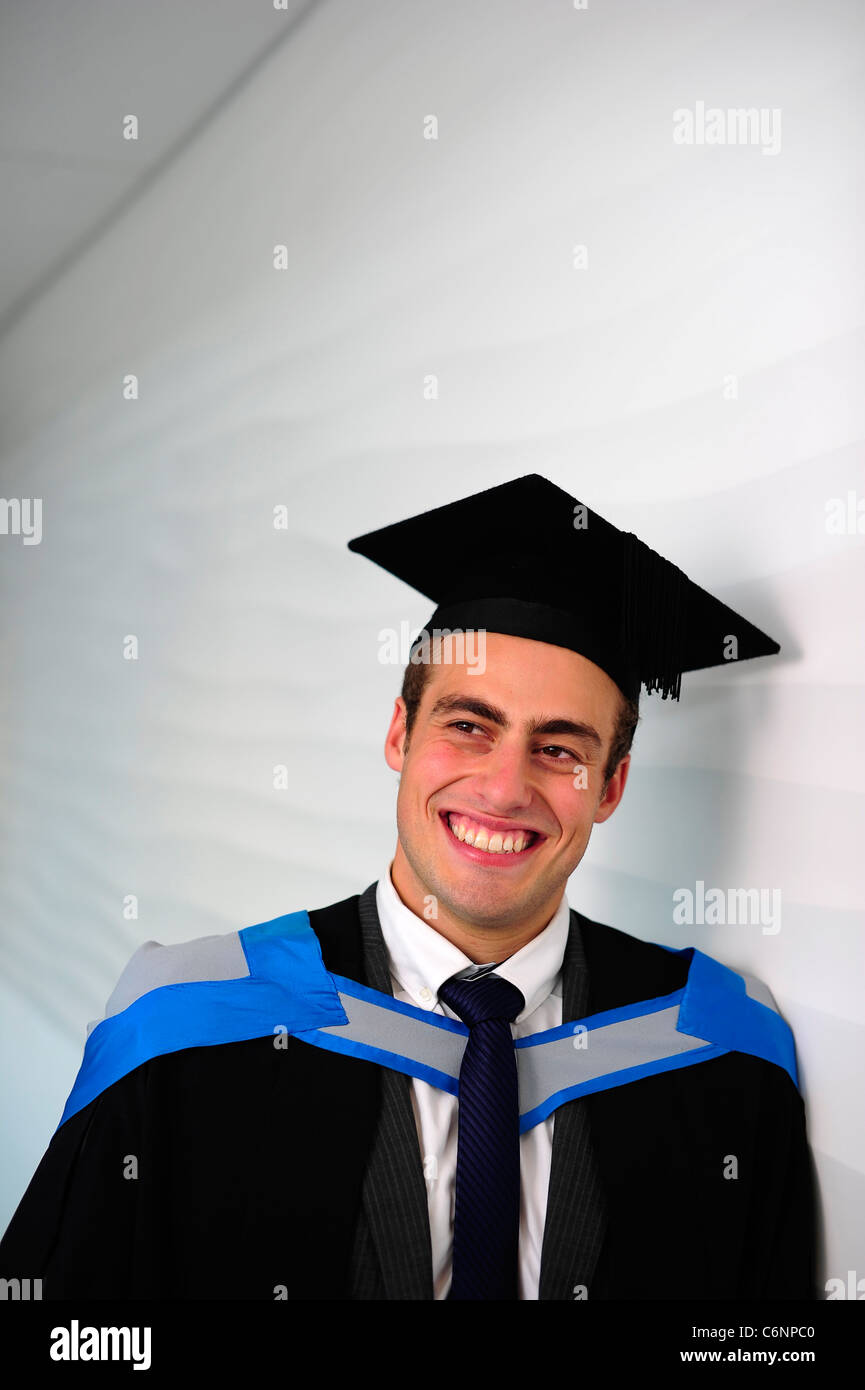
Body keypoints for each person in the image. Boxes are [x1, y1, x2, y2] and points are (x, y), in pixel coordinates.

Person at [0, 474, 817, 1300]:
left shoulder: (718, 1054)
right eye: (468, 726)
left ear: (609, 786)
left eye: (559, 749)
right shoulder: (183, 1030)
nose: (503, 789)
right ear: (399, 733)